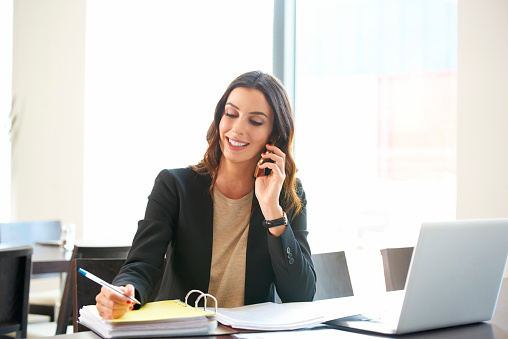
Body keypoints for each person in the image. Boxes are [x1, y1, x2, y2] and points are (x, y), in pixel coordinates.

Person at [95, 70, 316, 319]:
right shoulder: (174, 186)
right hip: (183, 332)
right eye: (231, 114)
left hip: (248, 334)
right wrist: (127, 292)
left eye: (255, 121)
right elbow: (142, 264)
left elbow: (301, 296)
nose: (237, 129)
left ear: (274, 135)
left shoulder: (288, 195)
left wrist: (273, 212)